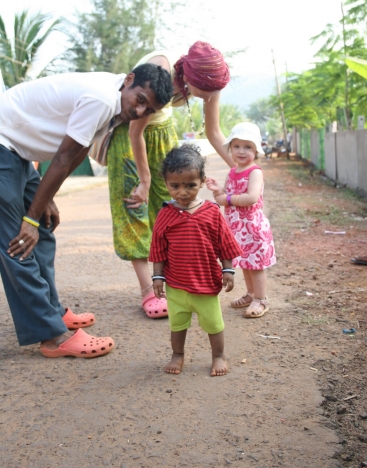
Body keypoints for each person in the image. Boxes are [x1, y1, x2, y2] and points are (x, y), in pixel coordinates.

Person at [0, 64, 173, 358]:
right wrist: (28, 218)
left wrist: (46, 199)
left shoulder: (116, 105)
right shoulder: (101, 99)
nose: (141, 112)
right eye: (141, 100)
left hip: (19, 151)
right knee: (18, 243)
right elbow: (64, 155)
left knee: (42, 229)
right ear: (129, 80)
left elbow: (78, 151)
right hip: (5, 144)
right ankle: (52, 336)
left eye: (150, 109)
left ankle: (52, 312)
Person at [107, 42, 232, 319]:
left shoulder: (211, 77)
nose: (209, 97)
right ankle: (147, 291)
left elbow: (214, 132)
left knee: (172, 209)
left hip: (162, 134)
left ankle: (176, 283)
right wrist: (145, 179)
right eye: (205, 93)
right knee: (134, 208)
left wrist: (243, 172)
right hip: (129, 136)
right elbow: (135, 132)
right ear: (188, 78)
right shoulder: (161, 70)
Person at [149, 144, 240, 376]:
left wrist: (228, 270)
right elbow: (158, 248)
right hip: (176, 285)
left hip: (206, 283)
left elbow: (225, 243)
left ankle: (218, 356)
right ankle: (177, 354)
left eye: (190, 185)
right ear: (166, 184)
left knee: (213, 324)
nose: (183, 192)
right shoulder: (165, 214)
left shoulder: (211, 212)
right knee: (177, 324)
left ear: (201, 182)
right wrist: (157, 277)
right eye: (175, 186)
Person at [206, 122, 276, 318]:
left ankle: (261, 299)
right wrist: (219, 190)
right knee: (245, 263)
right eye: (236, 146)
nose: (241, 151)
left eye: (248, 147)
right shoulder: (232, 171)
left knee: (256, 265)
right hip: (238, 228)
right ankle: (251, 294)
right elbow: (228, 193)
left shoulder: (255, 172)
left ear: (256, 150)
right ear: (230, 148)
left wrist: (226, 199)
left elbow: (251, 197)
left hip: (252, 227)